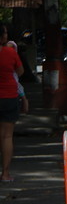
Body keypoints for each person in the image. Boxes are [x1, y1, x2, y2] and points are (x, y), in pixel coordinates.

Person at [1, 23, 25, 182]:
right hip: (8, 97)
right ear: (2, 36)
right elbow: (20, 71)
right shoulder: (10, 52)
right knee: (7, 136)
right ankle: (5, 174)